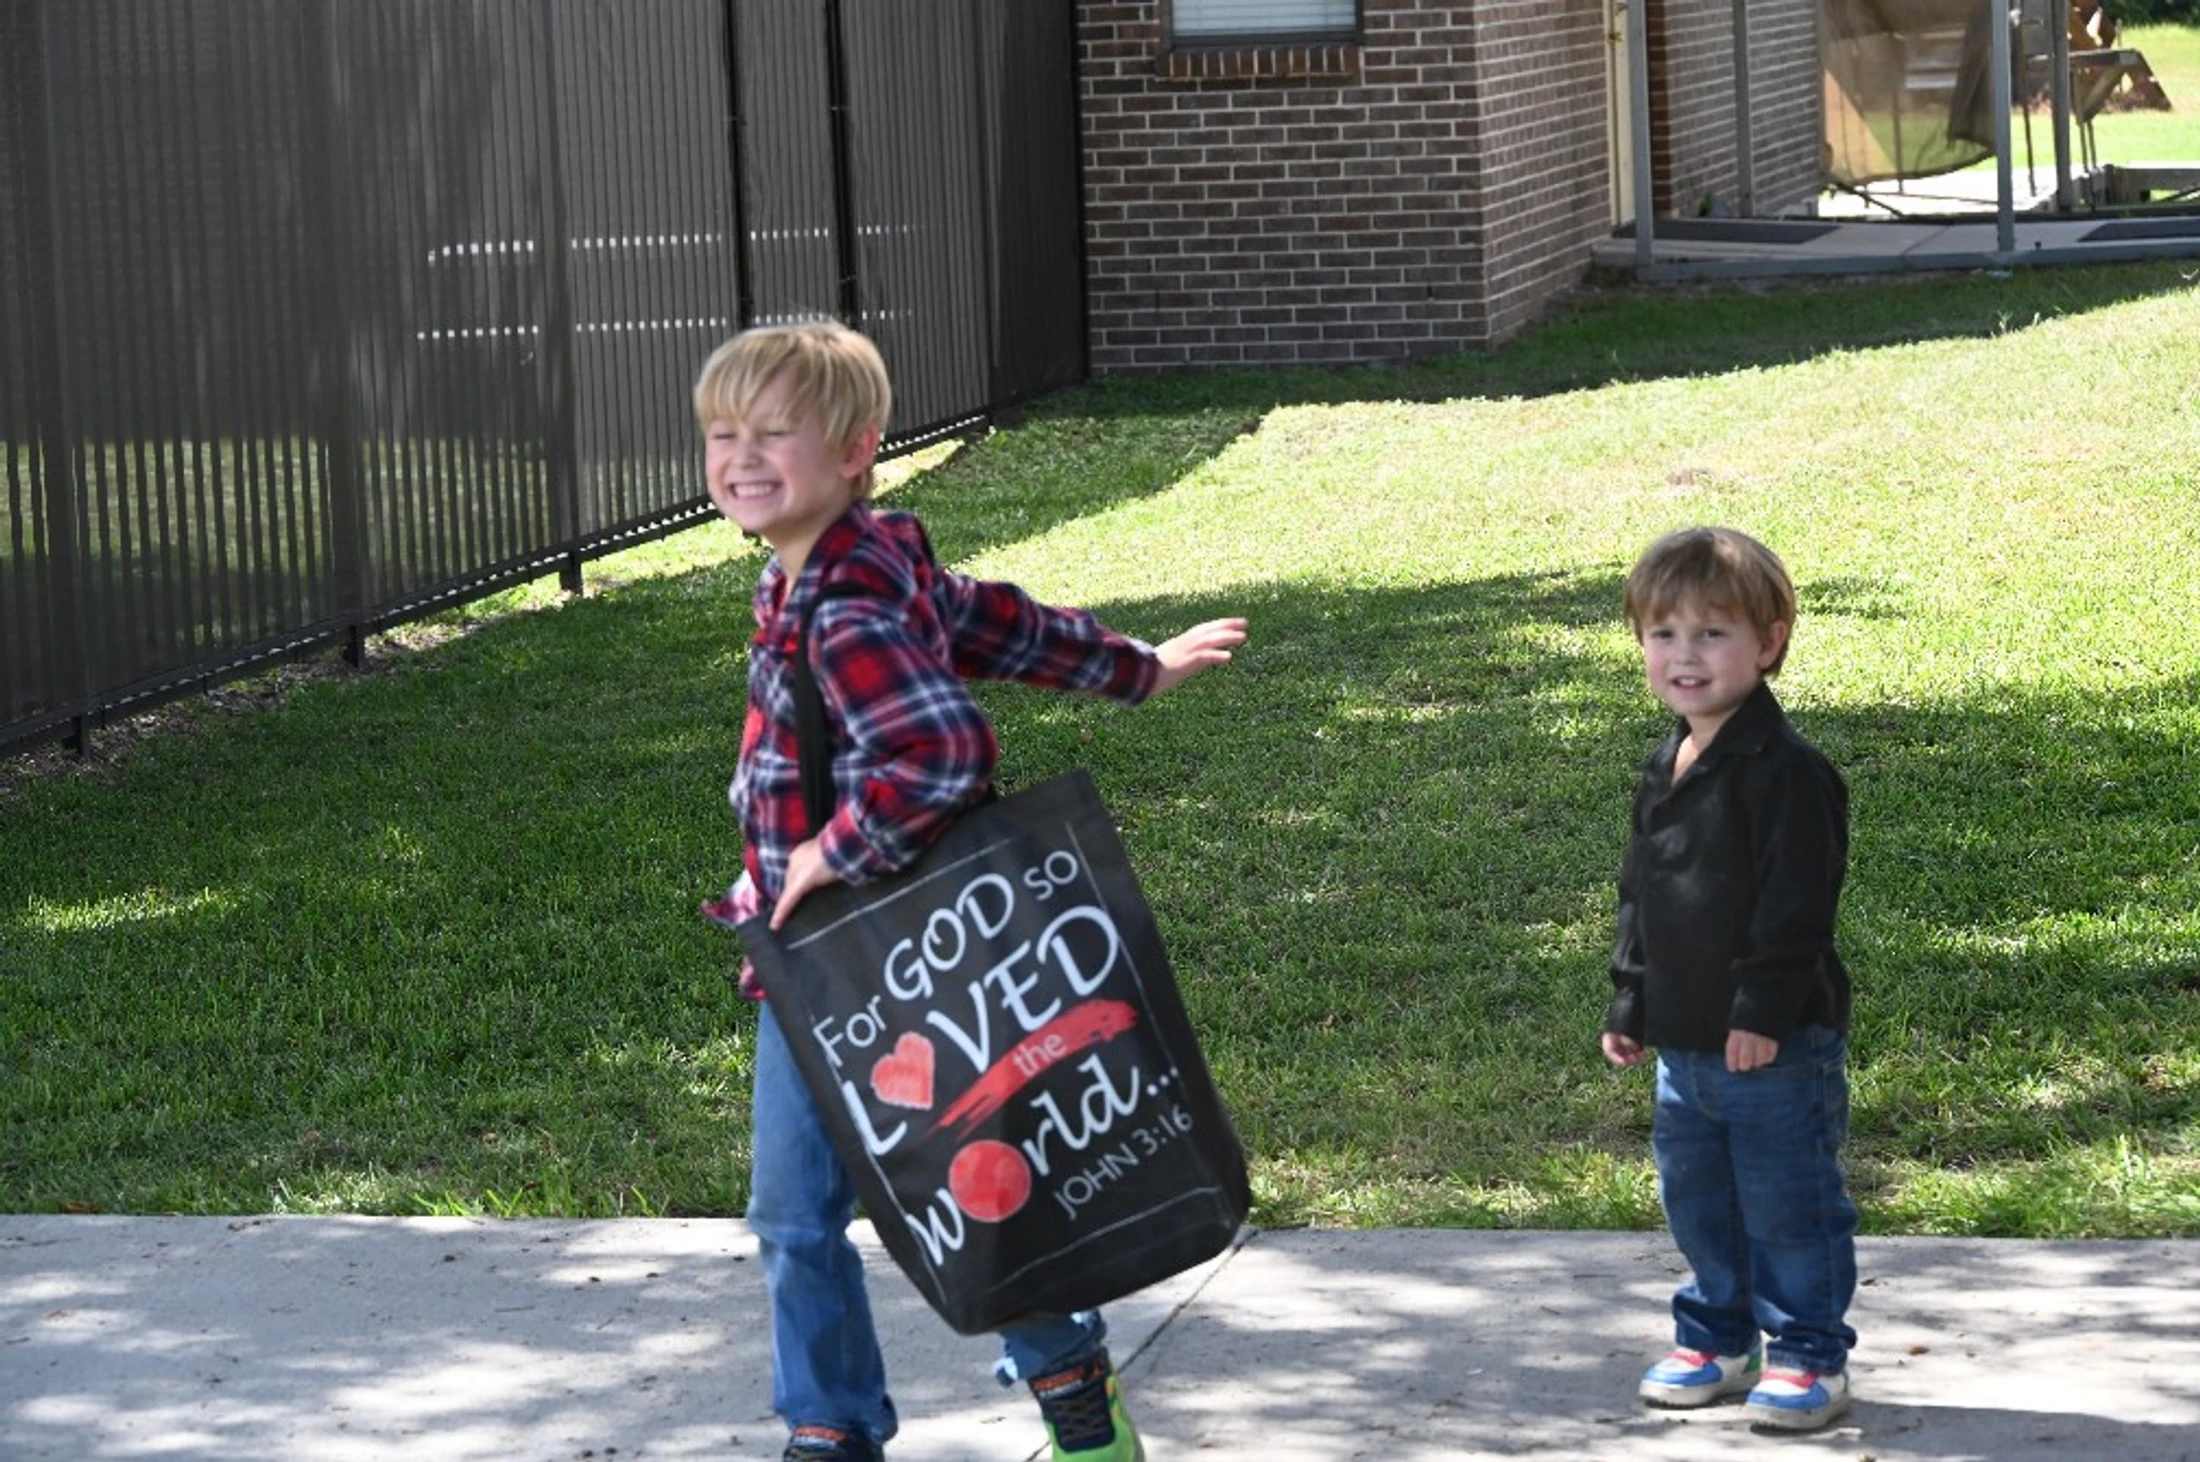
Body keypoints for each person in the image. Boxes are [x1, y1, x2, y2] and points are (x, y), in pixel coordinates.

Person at [694, 320, 1245, 1462]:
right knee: (899, 1198)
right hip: (817, 970)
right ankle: (837, 1425)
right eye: (720, 433)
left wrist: (824, 852)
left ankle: (1034, 1387)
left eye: (771, 432)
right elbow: (993, 620)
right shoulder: (845, 564)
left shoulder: (844, 602)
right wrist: (1136, 666)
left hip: (874, 956)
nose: (740, 456)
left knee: (866, 1206)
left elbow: (938, 753)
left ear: (854, 450)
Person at [1599, 526, 1860, 1433]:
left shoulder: (1788, 776)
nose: (1684, 655)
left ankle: (1807, 1355)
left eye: (1713, 634)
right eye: (1663, 634)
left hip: (1773, 1046)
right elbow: (1643, 893)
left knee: (1789, 1204)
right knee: (1700, 1197)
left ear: (1770, 641)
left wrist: (1762, 1011)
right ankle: (1718, 1336)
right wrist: (1631, 997)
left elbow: (1795, 910)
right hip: (1683, 1040)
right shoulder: (1664, 761)